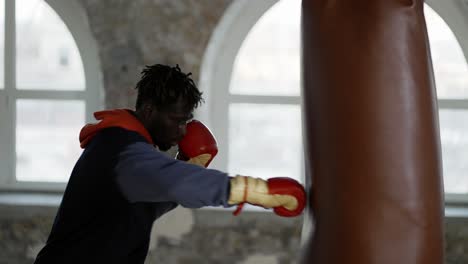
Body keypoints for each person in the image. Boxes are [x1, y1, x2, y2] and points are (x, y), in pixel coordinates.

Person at [34, 64, 305, 264]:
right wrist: (256, 191)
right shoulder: (125, 152)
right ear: (150, 110)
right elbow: (179, 183)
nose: (183, 131)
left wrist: (189, 168)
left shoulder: (121, 145)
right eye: (177, 120)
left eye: (186, 121)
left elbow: (144, 207)